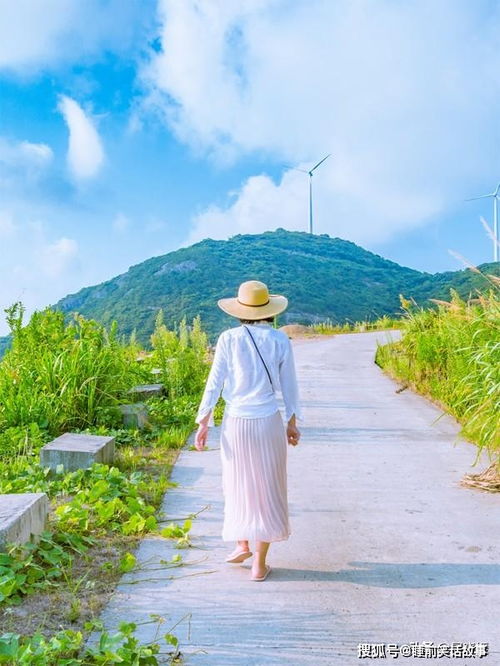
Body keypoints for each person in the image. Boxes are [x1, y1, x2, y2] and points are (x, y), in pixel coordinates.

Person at [194, 279, 302, 582]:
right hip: (267, 420)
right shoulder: (280, 341)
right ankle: (258, 563)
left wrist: (204, 420)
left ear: (240, 311)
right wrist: (292, 423)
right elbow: (290, 386)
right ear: (270, 311)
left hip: (236, 422)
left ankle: (241, 543)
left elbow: (214, 381)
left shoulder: (228, 339)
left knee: (237, 483)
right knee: (267, 487)